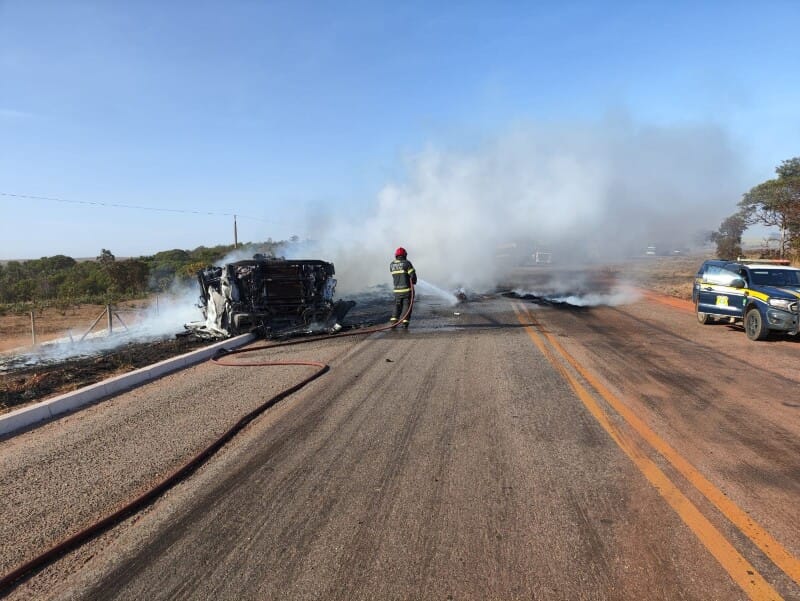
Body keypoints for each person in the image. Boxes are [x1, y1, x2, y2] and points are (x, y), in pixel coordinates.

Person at [390, 247, 417, 328]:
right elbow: (413, 276)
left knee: (397, 305)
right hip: (406, 290)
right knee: (406, 305)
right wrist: (414, 281)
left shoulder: (392, 264)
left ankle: (394, 321)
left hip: (397, 291)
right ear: (405, 255)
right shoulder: (407, 263)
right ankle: (405, 323)